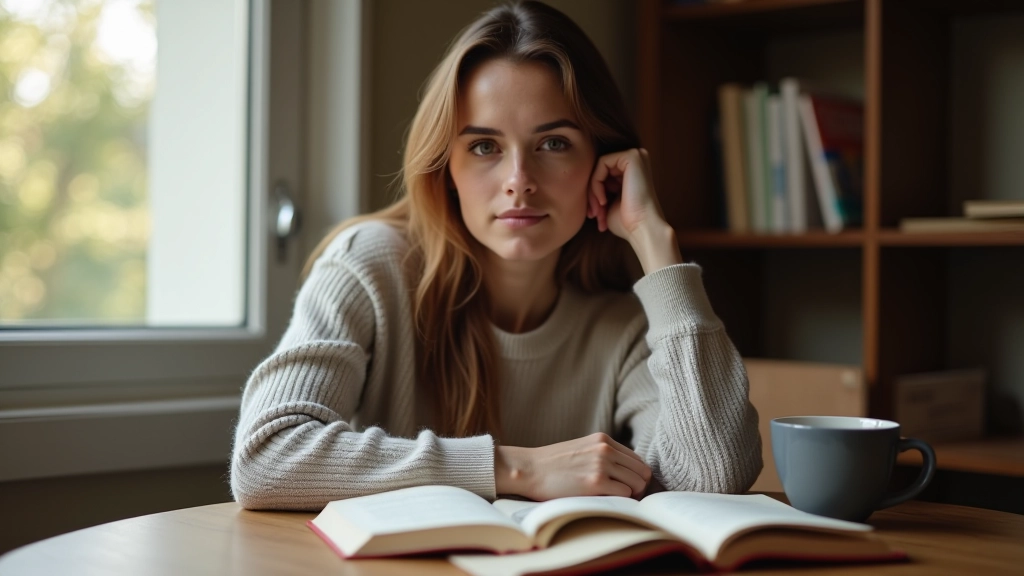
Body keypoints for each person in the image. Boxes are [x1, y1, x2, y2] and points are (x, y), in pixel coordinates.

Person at [231, 0, 761, 511]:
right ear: (447, 168)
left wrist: (656, 244)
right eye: (484, 146)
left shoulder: (626, 324)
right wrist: (518, 468)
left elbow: (712, 477)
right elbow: (266, 457)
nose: (518, 182)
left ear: (602, 160)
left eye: (553, 143)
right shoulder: (369, 266)